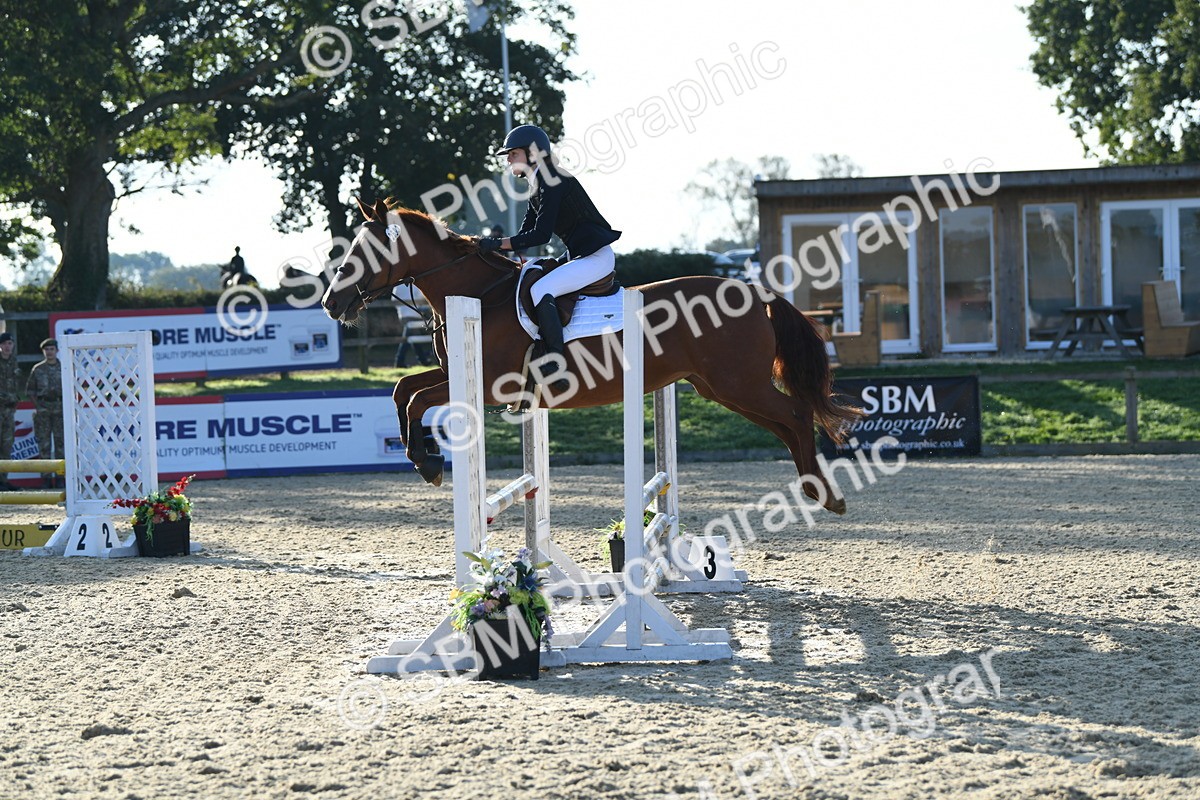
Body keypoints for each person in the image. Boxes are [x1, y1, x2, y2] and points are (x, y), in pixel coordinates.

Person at [476, 125, 621, 390]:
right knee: (531, 275)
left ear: (532, 154)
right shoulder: (537, 182)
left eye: (513, 153)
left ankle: (555, 363)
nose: (508, 159)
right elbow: (524, 234)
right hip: (579, 254)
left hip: (596, 257)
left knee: (542, 288)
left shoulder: (551, 178)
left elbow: (540, 236)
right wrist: (492, 248)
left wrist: (495, 244)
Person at [26, 338, 64, 488]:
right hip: (44, 408)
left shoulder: (64, 367)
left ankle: (61, 477)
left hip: (60, 408)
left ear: (56, 350)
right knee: (44, 445)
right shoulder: (38, 369)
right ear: (43, 351)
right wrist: (38, 406)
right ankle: (46, 478)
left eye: (52, 349)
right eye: (46, 349)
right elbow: (30, 391)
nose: (49, 352)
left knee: (61, 445)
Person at [0, 333, 21, 490]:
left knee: (7, 445)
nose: (7, 346)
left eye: (10, 343)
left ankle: (3, 480)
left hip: (9, 409)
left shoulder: (14, 362)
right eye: (5, 343)